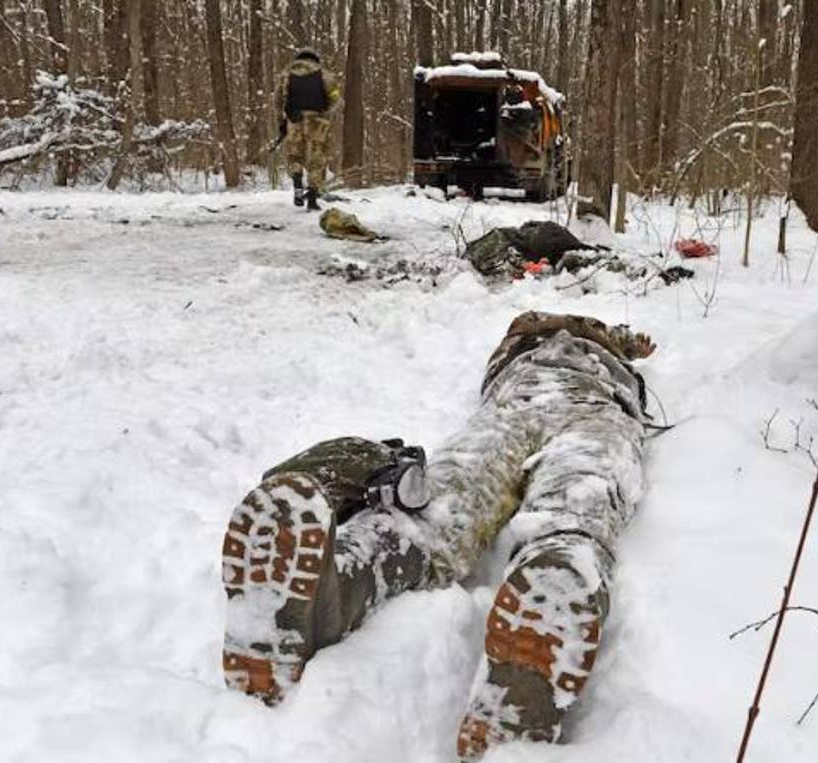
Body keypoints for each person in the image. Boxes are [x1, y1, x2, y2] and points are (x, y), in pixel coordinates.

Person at [221, 312, 656, 760]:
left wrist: (627, 342)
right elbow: (539, 324)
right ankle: (333, 590)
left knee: (443, 510)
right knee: (569, 509)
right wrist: (617, 345)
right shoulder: (559, 335)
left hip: (521, 405)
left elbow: (595, 334)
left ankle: (356, 573)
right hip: (577, 408)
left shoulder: (558, 338)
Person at [276, 47, 340, 211]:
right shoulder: (324, 75)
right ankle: (312, 198)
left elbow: (278, 100)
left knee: (295, 155)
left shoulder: (286, 75)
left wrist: (283, 121)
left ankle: (298, 184)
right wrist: (325, 113)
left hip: (294, 119)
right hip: (317, 120)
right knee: (316, 159)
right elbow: (336, 99)